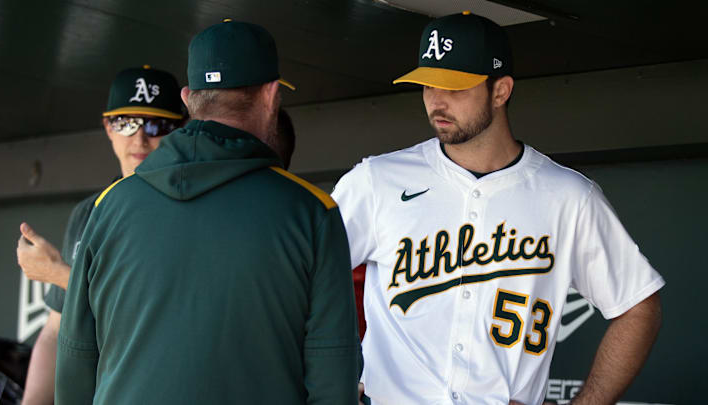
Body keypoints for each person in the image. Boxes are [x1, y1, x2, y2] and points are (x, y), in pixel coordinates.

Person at [332, 11, 664, 405]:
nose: (436, 101)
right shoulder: (376, 181)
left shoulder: (568, 196)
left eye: (454, 88)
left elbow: (638, 305)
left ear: (501, 91)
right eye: (427, 85)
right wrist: (327, 386)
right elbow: (301, 287)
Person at [55, 19, 360, 405]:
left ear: (187, 98)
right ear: (270, 95)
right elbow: (333, 376)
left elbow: (76, 363)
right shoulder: (312, 211)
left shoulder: (109, 205)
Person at [15, 65, 185, 405]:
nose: (140, 138)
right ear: (108, 127)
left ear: (180, 130)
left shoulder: (188, 206)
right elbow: (53, 331)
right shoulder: (88, 211)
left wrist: (60, 275)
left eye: (156, 124)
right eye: (126, 123)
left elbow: (158, 320)